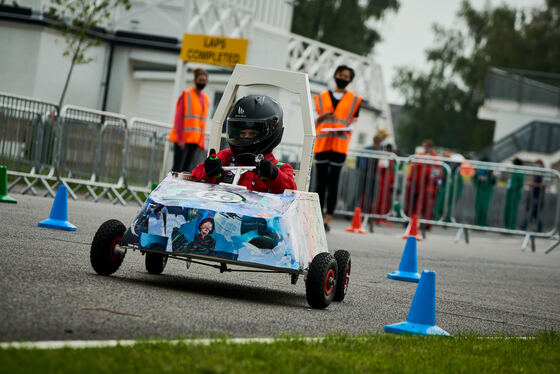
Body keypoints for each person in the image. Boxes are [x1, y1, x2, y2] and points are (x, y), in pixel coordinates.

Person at [191, 95, 297, 193]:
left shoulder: (281, 168)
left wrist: (273, 174)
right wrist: (208, 169)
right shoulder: (226, 157)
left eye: (252, 134)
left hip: (257, 213)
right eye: (242, 134)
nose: (246, 137)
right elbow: (196, 176)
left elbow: (290, 190)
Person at [313, 65, 362, 232]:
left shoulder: (355, 100)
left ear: (350, 80)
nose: (344, 78)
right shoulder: (320, 97)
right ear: (335, 75)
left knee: (333, 183)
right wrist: (323, 117)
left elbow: (354, 122)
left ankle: (328, 219)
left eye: (347, 76)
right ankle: (316, 217)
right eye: (341, 74)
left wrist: (347, 129)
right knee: (320, 183)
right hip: (322, 144)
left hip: (340, 146)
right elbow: (314, 119)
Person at [168, 67, 209, 172]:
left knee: (186, 170)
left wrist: (202, 142)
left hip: (194, 140)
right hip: (182, 139)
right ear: (195, 80)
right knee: (177, 169)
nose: (202, 82)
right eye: (200, 80)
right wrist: (180, 139)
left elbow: (202, 122)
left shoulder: (205, 99)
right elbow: (178, 118)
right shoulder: (186, 95)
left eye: (204, 80)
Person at [405, 140, 441, 224]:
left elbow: (436, 173)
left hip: (428, 185)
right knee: (414, 204)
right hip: (416, 185)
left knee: (427, 205)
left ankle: (425, 223)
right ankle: (412, 220)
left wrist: (437, 184)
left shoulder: (435, 158)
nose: (425, 149)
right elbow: (413, 169)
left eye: (427, 147)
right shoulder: (419, 156)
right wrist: (409, 179)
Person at [356, 135, 383, 214]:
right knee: (361, 194)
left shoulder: (377, 150)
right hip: (366, 175)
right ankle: (359, 211)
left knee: (366, 195)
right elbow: (361, 161)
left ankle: (365, 212)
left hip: (371, 175)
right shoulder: (369, 150)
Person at [522, 160, 547, 232]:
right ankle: (540, 228)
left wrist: (533, 184)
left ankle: (524, 225)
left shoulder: (545, 173)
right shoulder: (536, 174)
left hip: (539, 196)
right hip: (534, 195)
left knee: (533, 212)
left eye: (538, 165)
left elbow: (545, 184)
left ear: (541, 165)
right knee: (535, 213)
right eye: (536, 165)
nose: (536, 166)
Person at [473, 158, 496, 227]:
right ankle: (477, 222)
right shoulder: (479, 172)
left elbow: (493, 182)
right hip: (480, 192)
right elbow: (475, 181)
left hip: (487, 193)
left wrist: (491, 175)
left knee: (484, 208)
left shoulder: (490, 172)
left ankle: (482, 223)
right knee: (478, 208)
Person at [504, 158, 524, 230]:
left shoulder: (519, 172)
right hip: (510, 193)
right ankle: (507, 226)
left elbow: (520, 184)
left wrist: (513, 187)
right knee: (508, 210)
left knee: (512, 211)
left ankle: (511, 226)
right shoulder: (514, 171)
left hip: (515, 194)